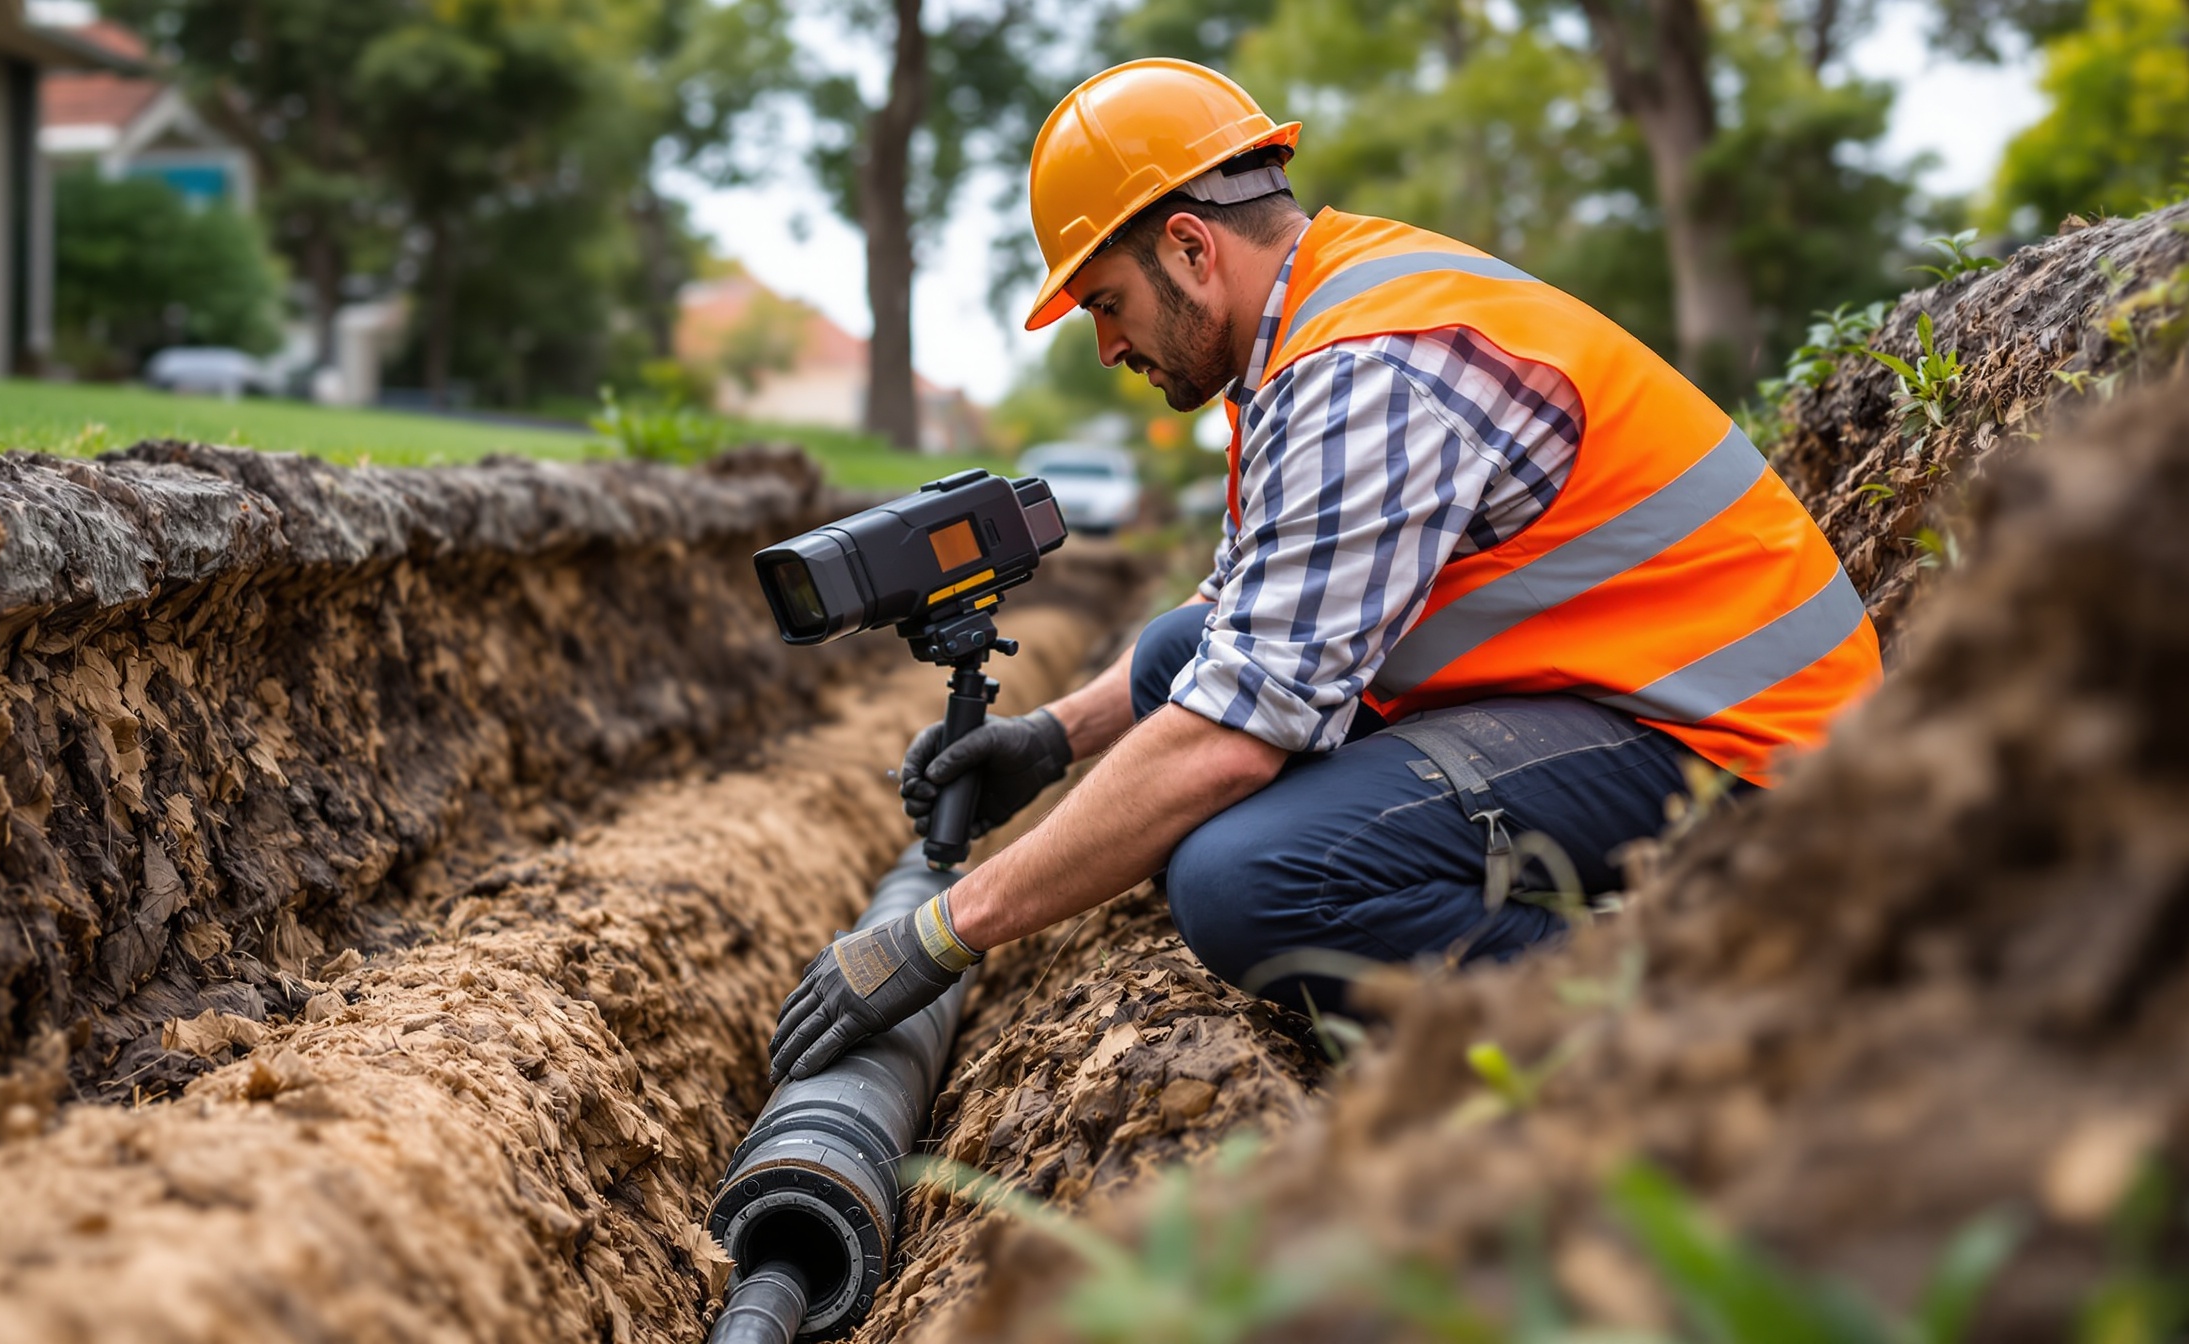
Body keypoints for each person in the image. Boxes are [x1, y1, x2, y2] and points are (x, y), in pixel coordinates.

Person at [764, 59, 1880, 1082]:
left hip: (1752, 761)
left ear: (1193, 250)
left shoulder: (1366, 373)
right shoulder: (1322, 317)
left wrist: (941, 931)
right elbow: (1237, 616)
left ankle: (1697, 1020)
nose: (1106, 347)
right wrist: (1052, 738)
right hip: (1633, 692)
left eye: (1106, 302)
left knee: (1246, 883)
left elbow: (1227, 739)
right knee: (1170, 659)